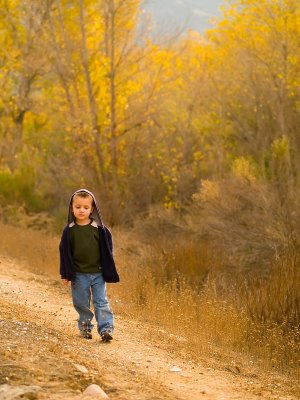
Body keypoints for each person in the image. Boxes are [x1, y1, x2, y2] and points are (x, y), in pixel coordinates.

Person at [59, 189, 119, 342]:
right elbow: (65, 253)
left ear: (92, 209)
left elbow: (108, 251)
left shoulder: (100, 230)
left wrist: (108, 269)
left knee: (101, 301)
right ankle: (85, 326)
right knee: (81, 302)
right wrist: (65, 274)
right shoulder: (69, 231)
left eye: (86, 207)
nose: (81, 210)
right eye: (78, 207)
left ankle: (106, 329)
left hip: (98, 273)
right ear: (72, 208)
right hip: (79, 274)